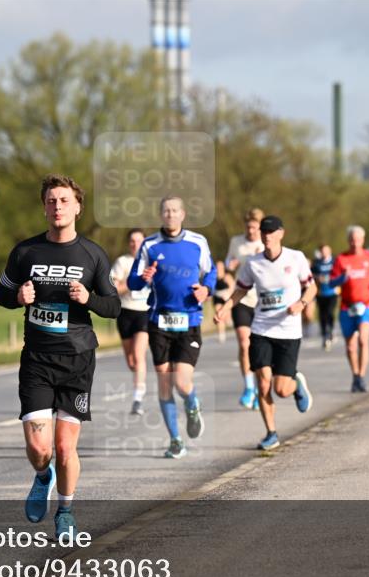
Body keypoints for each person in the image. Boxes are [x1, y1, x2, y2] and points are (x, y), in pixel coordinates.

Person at [0, 174, 120, 538]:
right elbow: (1, 294)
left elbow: (113, 306)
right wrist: (17, 298)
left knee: (65, 448)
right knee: (40, 448)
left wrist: (89, 299)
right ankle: (41, 475)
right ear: (44, 207)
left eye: (64, 200)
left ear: (78, 207)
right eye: (51, 201)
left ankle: (65, 511)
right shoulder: (26, 252)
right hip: (37, 360)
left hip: (78, 359)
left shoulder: (93, 255)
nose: (57, 207)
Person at [213, 216, 315, 450]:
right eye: (264, 232)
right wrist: (225, 308)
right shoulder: (253, 263)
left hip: (288, 331)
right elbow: (241, 290)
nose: (267, 236)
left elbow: (311, 287)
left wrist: (301, 304)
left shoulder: (295, 258)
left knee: (281, 389)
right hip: (262, 328)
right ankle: (271, 433)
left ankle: (296, 384)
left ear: (281, 233)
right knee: (263, 382)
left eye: (271, 231)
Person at [128, 196, 217, 459]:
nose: (170, 214)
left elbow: (211, 272)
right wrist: (142, 278)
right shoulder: (150, 245)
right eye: (166, 211)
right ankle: (176, 440)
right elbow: (133, 282)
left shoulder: (197, 242)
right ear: (161, 215)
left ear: (183, 214)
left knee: (181, 381)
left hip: (190, 320)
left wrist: (206, 289)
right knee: (164, 383)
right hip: (159, 321)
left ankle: (192, 402)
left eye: (175, 210)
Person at [329, 225, 369, 392]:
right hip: (347, 307)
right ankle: (355, 375)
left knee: (363, 340)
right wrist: (343, 278)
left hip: (367, 305)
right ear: (348, 240)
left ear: (363, 240)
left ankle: (362, 376)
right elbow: (331, 282)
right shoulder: (341, 259)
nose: (355, 242)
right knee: (351, 347)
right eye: (352, 239)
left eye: (358, 239)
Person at [223, 208, 265, 408]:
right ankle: (249, 387)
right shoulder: (236, 242)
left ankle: (260, 389)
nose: (251, 231)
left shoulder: (266, 242)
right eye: (248, 227)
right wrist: (230, 264)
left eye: (255, 227)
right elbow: (228, 263)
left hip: (261, 300)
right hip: (241, 298)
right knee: (244, 343)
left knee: (259, 347)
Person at [110, 229, 151, 416]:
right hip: (125, 312)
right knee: (131, 361)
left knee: (138, 354)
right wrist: (134, 282)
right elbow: (114, 289)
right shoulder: (122, 262)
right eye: (132, 241)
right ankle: (139, 381)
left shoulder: (151, 262)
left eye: (139, 241)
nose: (135, 244)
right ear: (129, 244)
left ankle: (138, 398)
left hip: (144, 312)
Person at [312, 244, 337, 351]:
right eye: (322, 251)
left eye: (326, 251)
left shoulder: (334, 262)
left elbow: (339, 274)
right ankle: (324, 335)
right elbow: (311, 275)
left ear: (330, 251)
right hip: (321, 293)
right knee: (322, 315)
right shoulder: (317, 263)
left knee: (330, 313)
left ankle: (330, 330)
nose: (324, 253)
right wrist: (318, 278)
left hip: (332, 292)